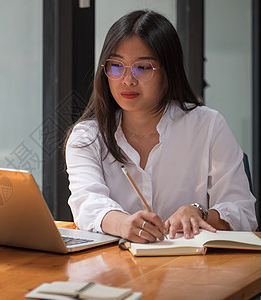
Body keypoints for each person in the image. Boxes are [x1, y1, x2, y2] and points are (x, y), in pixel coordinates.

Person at [64, 10, 257, 243]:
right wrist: (123, 223)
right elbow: (87, 202)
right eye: (116, 66)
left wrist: (199, 212)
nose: (127, 79)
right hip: (117, 268)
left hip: (196, 269)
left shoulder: (208, 126)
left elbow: (243, 213)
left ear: (169, 71)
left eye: (143, 68)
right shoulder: (88, 137)